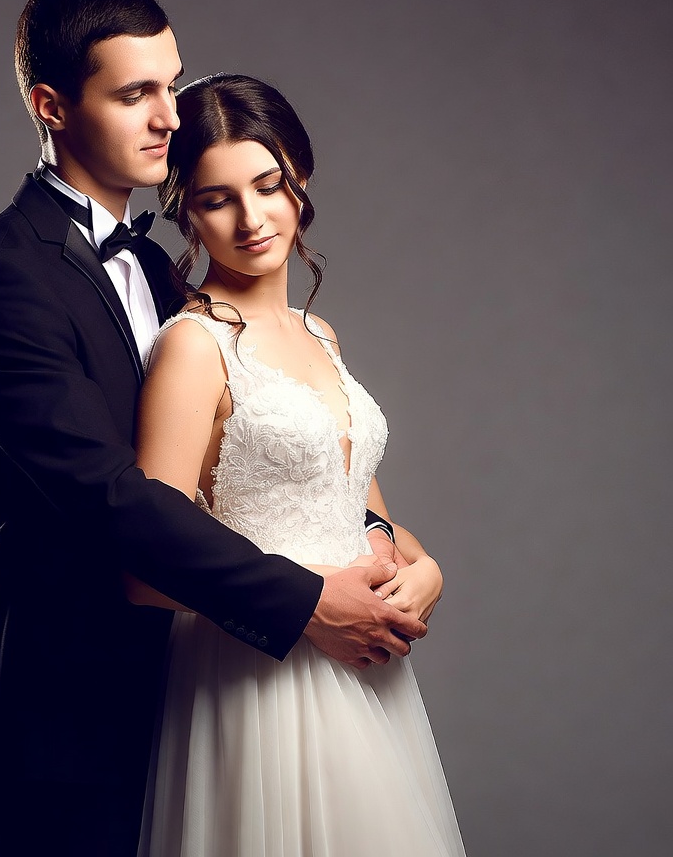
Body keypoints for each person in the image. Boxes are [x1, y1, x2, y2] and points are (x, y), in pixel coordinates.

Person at [0, 0, 425, 857]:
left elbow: (259, 453)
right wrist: (310, 601)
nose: (170, 115)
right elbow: (114, 501)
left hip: (193, 688)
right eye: (135, 94)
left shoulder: (162, 275)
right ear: (50, 105)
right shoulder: (2, 282)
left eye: (171, 82)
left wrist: (389, 549)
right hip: (69, 718)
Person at [130, 74, 466, 856]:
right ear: (185, 210)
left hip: (367, 681)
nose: (251, 219)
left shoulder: (321, 335)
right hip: (259, 680)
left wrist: (426, 571)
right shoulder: (193, 346)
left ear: (300, 177)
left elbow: (362, 512)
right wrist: (310, 603)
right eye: (216, 199)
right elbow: (146, 560)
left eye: (268, 184)